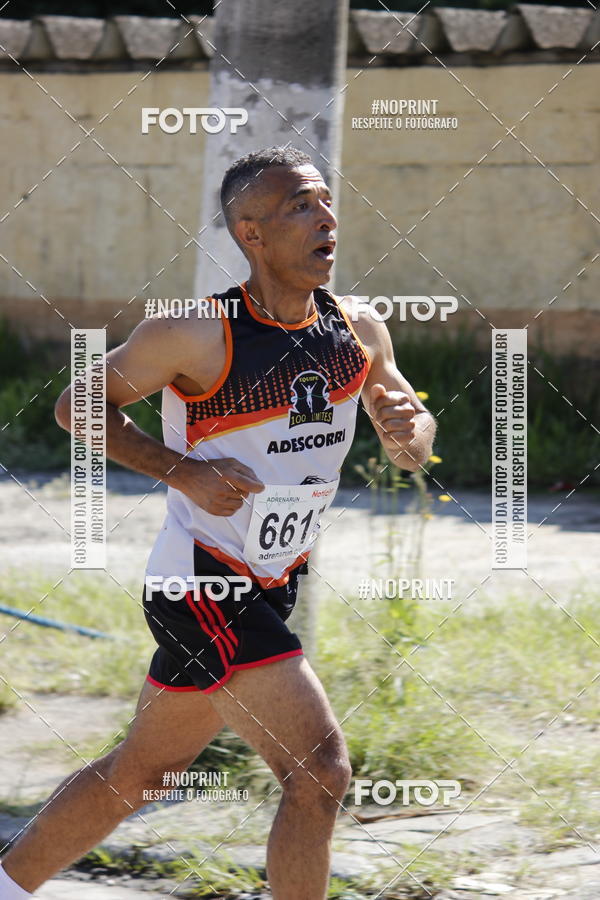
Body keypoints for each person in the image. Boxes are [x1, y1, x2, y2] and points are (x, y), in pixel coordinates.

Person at [0, 147, 436, 900]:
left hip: (270, 584)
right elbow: (79, 407)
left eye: (326, 202)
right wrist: (182, 471)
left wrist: (411, 430)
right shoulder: (195, 333)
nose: (326, 218)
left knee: (142, 773)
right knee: (320, 772)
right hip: (203, 581)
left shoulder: (358, 327)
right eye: (301, 206)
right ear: (251, 233)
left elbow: (410, 440)